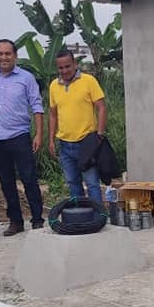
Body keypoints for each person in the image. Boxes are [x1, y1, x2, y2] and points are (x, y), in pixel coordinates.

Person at [0, 39, 44, 236]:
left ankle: (37, 219)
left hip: (20, 136)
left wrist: (39, 134)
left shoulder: (26, 78)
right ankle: (16, 221)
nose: (4, 57)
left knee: (29, 179)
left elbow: (36, 105)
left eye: (7, 53)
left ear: (15, 56)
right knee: (6, 182)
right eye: (0, 54)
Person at [48, 49, 106, 203]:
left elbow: (101, 107)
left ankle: (98, 214)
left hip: (86, 142)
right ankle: (80, 214)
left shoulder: (89, 81)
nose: (64, 71)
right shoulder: (54, 86)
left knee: (92, 183)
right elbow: (53, 114)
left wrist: (100, 134)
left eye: (67, 66)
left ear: (74, 64)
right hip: (64, 144)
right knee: (73, 183)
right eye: (60, 68)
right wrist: (51, 140)